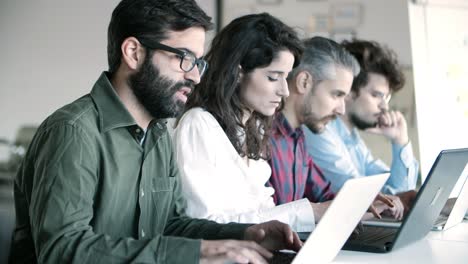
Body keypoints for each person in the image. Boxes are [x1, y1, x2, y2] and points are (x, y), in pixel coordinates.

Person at [9, 1, 302, 263]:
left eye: (198, 62)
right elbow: (62, 250)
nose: (196, 75)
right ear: (134, 53)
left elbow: (171, 224)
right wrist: (196, 253)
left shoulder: (158, 133)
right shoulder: (73, 132)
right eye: (183, 58)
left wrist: (246, 234)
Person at [173, 13, 323, 232]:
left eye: (286, 76)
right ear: (238, 71)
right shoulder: (198, 125)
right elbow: (205, 225)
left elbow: (263, 211)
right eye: (273, 77)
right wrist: (311, 211)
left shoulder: (254, 127)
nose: (284, 90)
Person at [269, 36, 403, 222]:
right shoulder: (262, 140)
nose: (341, 110)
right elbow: (262, 221)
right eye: (336, 95)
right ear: (304, 83)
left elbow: (326, 197)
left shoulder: (297, 138)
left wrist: (370, 204)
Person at [305, 39, 419, 195]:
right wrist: (398, 198)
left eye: (386, 98)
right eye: (376, 95)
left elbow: (401, 190)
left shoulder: (352, 137)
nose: (384, 107)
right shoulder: (318, 130)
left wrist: (400, 140)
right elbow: (360, 196)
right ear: (349, 90)